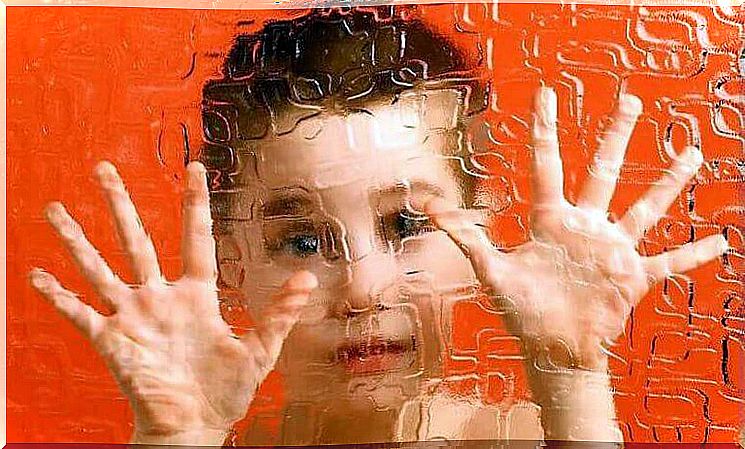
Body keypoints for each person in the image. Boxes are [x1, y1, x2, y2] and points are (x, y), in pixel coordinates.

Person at [28, 8, 729, 447]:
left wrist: (570, 376)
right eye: (300, 241)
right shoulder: (208, 433)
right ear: (229, 262)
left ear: (480, 230)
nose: (362, 288)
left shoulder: (531, 434)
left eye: (407, 223)